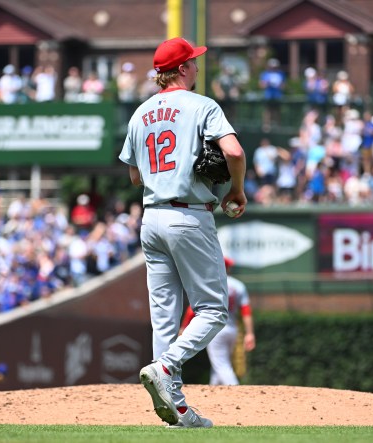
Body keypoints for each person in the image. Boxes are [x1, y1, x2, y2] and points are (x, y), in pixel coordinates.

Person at [118, 36, 247, 428]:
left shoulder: (139, 113)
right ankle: (167, 366)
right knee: (213, 310)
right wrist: (236, 190)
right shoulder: (202, 105)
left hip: (151, 216)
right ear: (182, 69)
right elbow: (235, 152)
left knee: (164, 319)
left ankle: (175, 409)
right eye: (193, 61)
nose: (196, 66)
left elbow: (135, 174)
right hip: (189, 215)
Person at [180, 257, 255, 385]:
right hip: (232, 329)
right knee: (220, 363)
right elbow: (246, 311)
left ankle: (236, 390)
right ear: (228, 268)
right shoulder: (238, 285)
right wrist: (249, 333)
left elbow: (191, 310)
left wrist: (183, 327)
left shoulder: (209, 284)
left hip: (215, 329)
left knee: (221, 365)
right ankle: (213, 391)